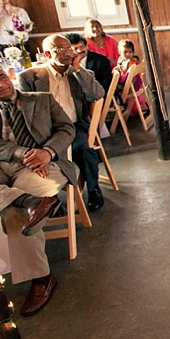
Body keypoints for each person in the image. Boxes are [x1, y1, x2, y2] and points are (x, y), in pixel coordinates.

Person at [0, 63, 74, 316]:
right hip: (2, 166)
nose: (0, 84)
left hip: (45, 165)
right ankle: (30, 201)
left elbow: (67, 129)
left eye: (2, 77)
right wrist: (21, 154)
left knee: (13, 213)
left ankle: (42, 278)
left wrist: (46, 152)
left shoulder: (41, 99)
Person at [17, 35, 106, 212]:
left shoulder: (80, 74)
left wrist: (77, 69)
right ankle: (51, 197)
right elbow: (25, 112)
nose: (68, 53)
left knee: (84, 147)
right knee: (35, 153)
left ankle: (94, 188)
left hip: (74, 126)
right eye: (62, 50)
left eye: (69, 48)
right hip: (45, 131)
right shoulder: (30, 78)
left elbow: (97, 94)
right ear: (48, 54)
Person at [114, 39, 147, 117]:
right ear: (120, 52)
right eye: (125, 52)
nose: (128, 54)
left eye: (130, 52)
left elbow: (126, 76)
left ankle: (123, 109)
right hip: (129, 84)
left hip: (131, 85)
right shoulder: (121, 60)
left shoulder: (132, 62)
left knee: (113, 91)